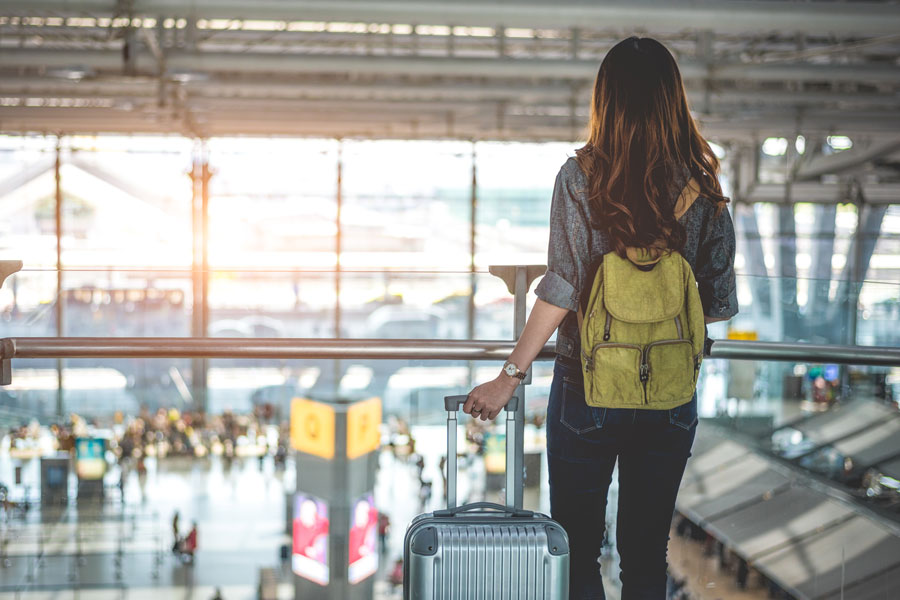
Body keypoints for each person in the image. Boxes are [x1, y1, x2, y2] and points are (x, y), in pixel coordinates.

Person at [463, 37, 738, 599]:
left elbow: (561, 288)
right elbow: (715, 301)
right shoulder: (703, 186)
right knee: (644, 555)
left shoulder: (581, 177)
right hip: (668, 393)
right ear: (673, 99)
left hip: (587, 386)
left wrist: (507, 377)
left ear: (605, 100)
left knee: (577, 549)